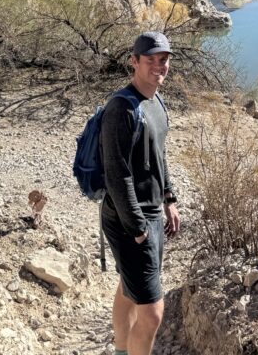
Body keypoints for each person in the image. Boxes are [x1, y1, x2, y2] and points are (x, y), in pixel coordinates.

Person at [100, 31, 181, 355]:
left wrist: (170, 199)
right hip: (127, 219)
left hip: (149, 214)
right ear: (134, 62)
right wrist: (136, 229)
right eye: (150, 60)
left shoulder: (156, 101)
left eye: (163, 60)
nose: (159, 67)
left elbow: (158, 156)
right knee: (152, 312)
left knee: (130, 286)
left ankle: (121, 350)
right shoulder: (121, 108)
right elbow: (117, 174)